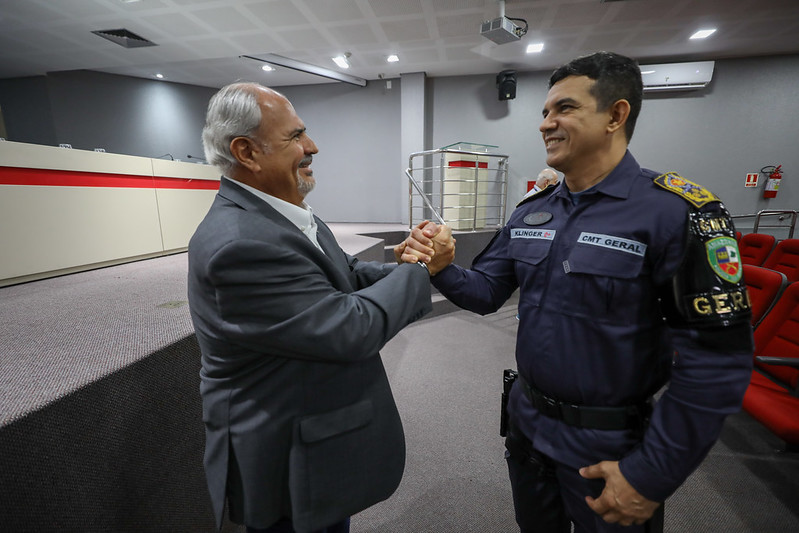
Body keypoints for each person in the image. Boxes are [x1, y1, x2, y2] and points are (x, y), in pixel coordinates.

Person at [398, 52, 753, 532]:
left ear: (615, 115)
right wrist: (442, 267)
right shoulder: (533, 211)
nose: (546, 124)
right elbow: (485, 292)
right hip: (528, 428)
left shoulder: (678, 212)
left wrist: (651, 475)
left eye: (564, 109)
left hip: (610, 447)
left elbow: (715, 362)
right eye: (545, 113)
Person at [187, 82, 453, 533]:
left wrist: (406, 261)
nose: (312, 147)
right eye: (294, 137)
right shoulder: (240, 245)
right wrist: (421, 270)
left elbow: (344, 275)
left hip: (313, 437)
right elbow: (350, 328)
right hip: (285, 458)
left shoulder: (282, 214)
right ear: (246, 151)